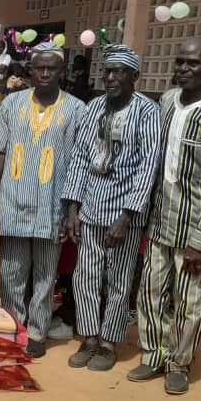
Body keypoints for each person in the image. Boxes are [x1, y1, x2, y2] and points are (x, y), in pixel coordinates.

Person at [129, 37, 201, 395]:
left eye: (192, 63)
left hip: (196, 228)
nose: (183, 69)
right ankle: (154, 355)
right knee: (149, 293)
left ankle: (179, 362)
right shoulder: (165, 101)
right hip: (160, 221)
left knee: (189, 302)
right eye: (179, 62)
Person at [0, 41, 85, 358]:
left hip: (53, 204)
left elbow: (79, 161)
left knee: (46, 273)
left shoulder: (77, 109)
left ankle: (37, 330)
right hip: (13, 199)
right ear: (31, 71)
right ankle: (14, 325)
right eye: (40, 67)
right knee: (11, 269)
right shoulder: (11, 104)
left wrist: (71, 208)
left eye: (52, 68)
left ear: (62, 71)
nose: (46, 73)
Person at [59, 45, 160, 372]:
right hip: (90, 206)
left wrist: (128, 215)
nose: (112, 77)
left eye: (119, 71)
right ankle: (88, 338)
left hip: (124, 214)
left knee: (118, 279)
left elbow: (149, 165)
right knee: (85, 277)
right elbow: (79, 157)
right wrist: (72, 207)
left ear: (134, 76)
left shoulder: (147, 111)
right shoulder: (94, 107)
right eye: (108, 71)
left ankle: (108, 342)